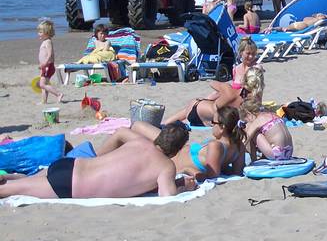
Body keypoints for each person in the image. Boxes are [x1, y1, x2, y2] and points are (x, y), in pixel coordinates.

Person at [0, 123, 195, 199]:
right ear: (176, 150)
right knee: (8, 190)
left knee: (25, 180)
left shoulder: (139, 141)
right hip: (72, 184)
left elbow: (119, 132)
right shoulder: (166, 167)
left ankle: (11, 176)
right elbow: (167, 197)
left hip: (73, 163)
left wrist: (100, 158)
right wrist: (183, 186)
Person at [102, 107, 246, 181]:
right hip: (175, 149)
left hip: (169, 153)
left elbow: (211, 176)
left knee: (130, 130)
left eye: (213, 123)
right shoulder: (239, 145)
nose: (211, 125)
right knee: (138, 127)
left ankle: (97, 157)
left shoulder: (216, 146)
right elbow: (236, 173)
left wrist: (190, 170)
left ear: (222, 127)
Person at [239, 68, 294, 160]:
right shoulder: (271, 114)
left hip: (277, 154)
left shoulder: (256, 121)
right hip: (289, 151)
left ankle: (254, 160)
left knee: (250, 130)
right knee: (268, 134)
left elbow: (245, 140)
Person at [36, 19, 62, 105]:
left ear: (46, 33)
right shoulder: (45, 41)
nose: (38, 34)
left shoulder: (48, 42)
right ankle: (44, 101)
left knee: (42, 84)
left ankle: (58, 94)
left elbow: (50, 54)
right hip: (45, 67)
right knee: (44, 84)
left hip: (48, 66)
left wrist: (45, 63)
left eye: (40, 32)